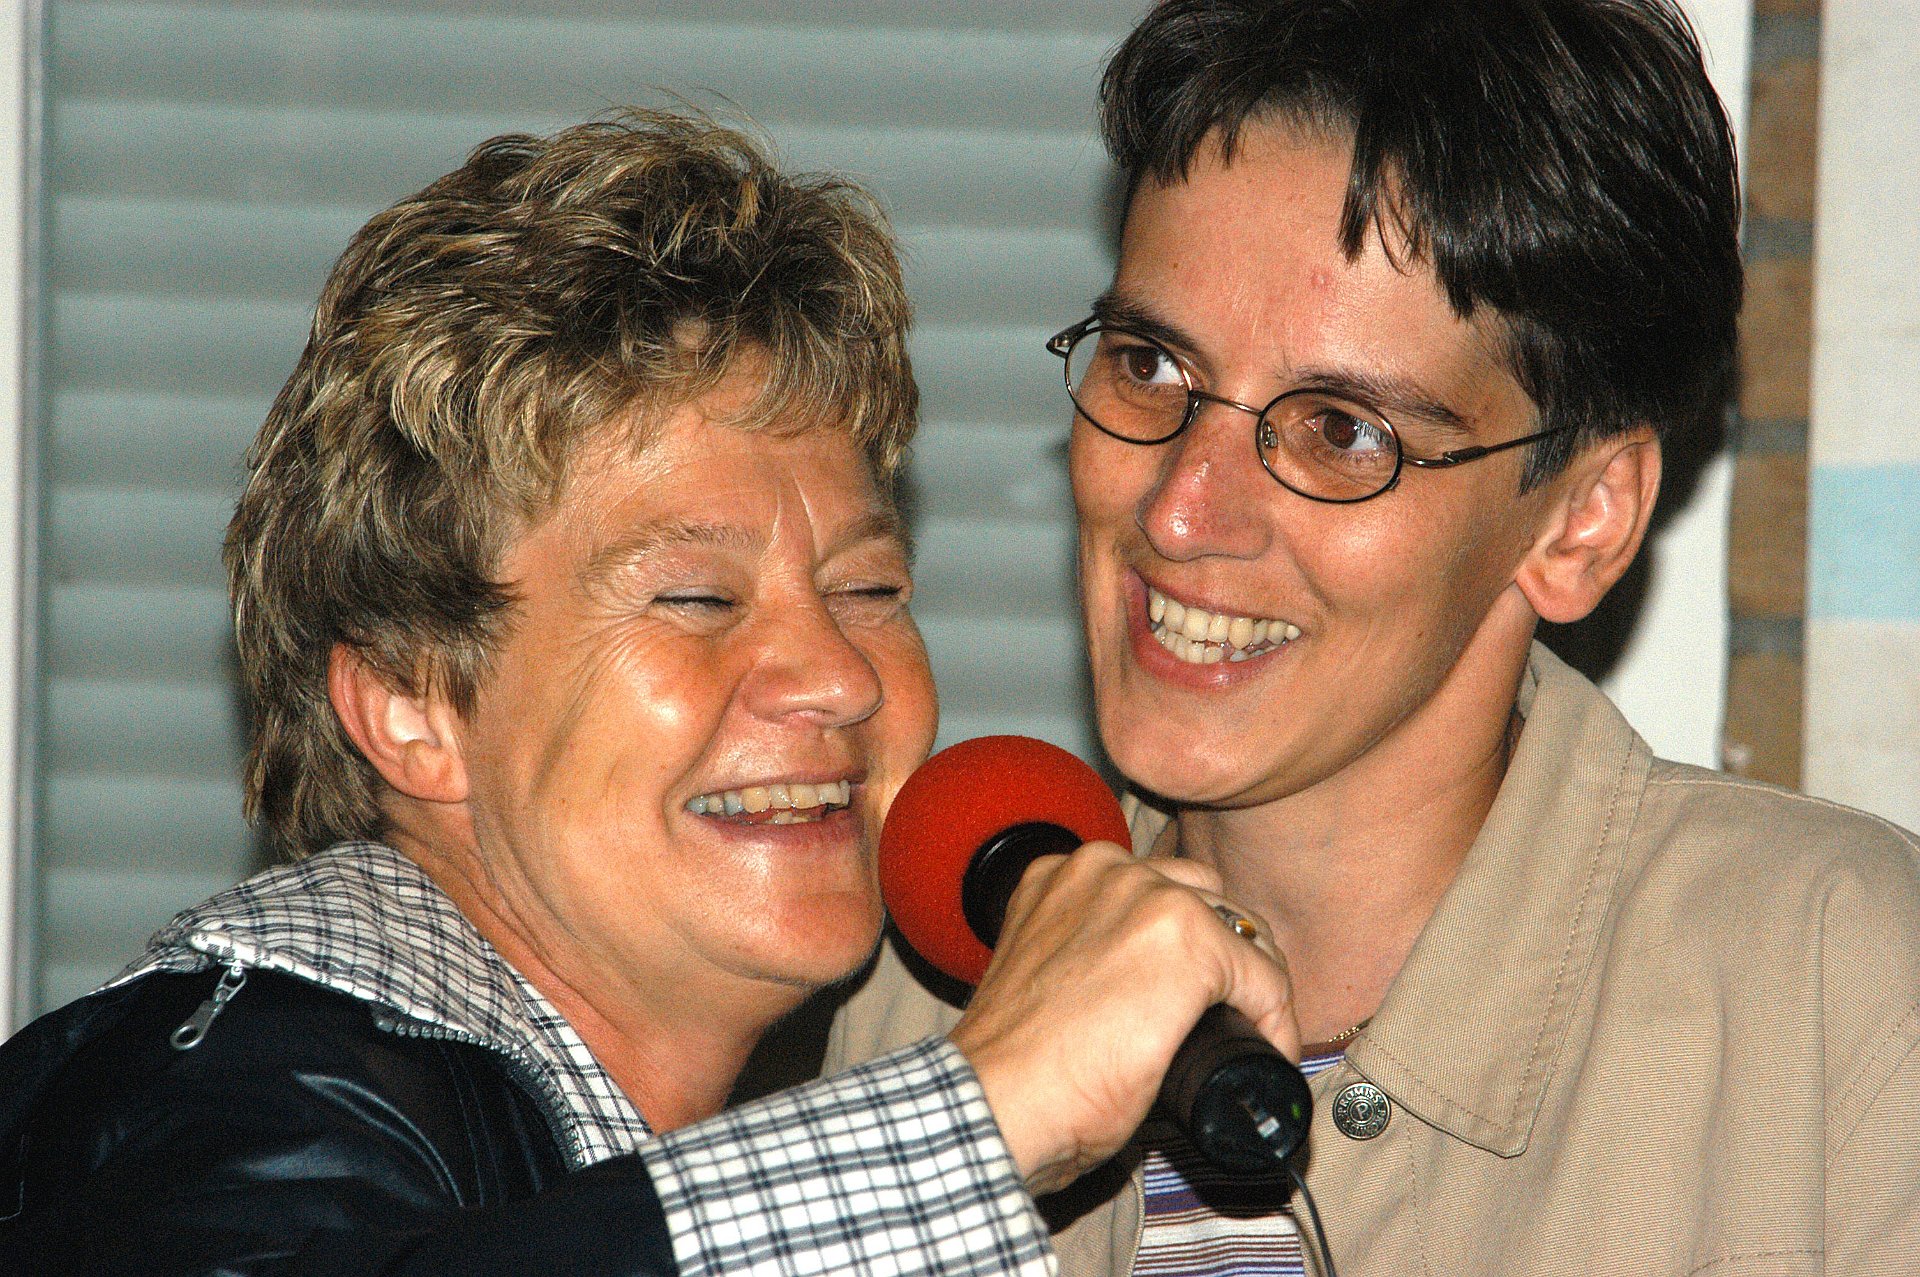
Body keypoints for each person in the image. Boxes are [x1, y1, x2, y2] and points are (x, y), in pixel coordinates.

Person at [0, 111, 1300, 1276]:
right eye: (697, 598)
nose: (842, 677)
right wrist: (986, 1116)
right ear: (409, 702)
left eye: (868, 589)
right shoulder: (221, 1093)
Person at [828, 2, 1920, 1273]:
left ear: (1580, 521)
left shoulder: (1834, 998)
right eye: (1151, 365)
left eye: (1342, 431)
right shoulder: (934, 994)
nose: (1180, 510)